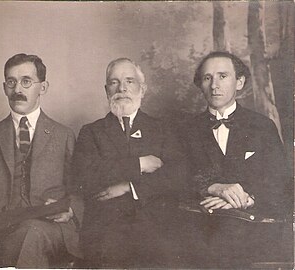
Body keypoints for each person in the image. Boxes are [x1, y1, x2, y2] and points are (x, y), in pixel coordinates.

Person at [0, 53, 83, 268]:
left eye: (26, 82)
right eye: (11, 82)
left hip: (48, 227)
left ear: (43, 87)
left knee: (30, 233)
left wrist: (71, 210)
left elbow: (80, 187)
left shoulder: (64, 135)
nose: (17, 90)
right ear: (4, 87)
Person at [72, 58, 188, 268]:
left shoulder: (162, 129)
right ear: (106, 89)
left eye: (129, 81)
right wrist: (139, 164)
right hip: (106, 228)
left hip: (155, 225)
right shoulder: (91, 132)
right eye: (114, 82)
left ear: (142, 89)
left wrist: (130, 187)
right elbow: (86, 176)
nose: (122, 88)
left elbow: (177, 175)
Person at [183, 51, 292, 267]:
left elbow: (281, 182)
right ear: (200, 85)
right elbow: (177, 177)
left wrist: (247, 197)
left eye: (223, 76)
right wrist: (213, 187)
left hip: (254, 228)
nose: (215, 85)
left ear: (239, 82)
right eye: (207, 78)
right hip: (202, 228)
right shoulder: (185, 130)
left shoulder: (262, 127)